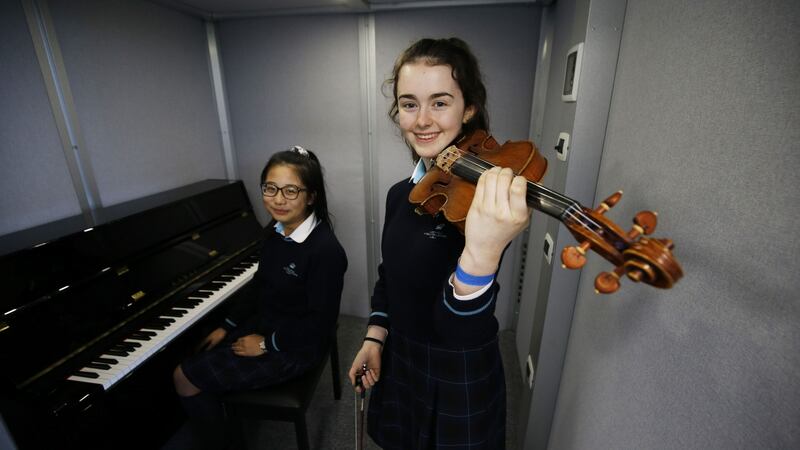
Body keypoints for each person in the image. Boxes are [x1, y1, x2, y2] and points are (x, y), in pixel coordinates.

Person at [348, 37, 530, 449]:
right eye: (409, 104)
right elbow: (390, 276)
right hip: (401, 358)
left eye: (440, 102)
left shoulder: (482, 205)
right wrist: (375, 336)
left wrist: (484, 250)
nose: (422, 120)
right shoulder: (400, 194)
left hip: (456, 370)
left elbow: (459, 329)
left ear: (468, 109)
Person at [173, 146, 347, 448]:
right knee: (197, 347)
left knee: (183, 377)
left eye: (291, 191)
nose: (278, 199)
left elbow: (320, 324)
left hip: (294, 346)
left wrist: (267, 344)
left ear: (311, 196)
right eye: (270, 188)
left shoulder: (325, 251)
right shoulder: (275, 232)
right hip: (269, 324)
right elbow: (260, 283)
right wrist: (226, 325)